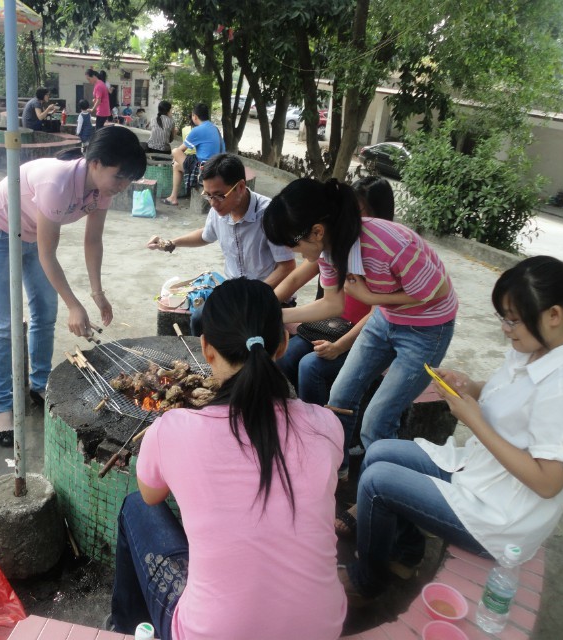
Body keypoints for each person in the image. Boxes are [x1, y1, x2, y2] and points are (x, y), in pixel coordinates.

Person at [341, 256, 563, 602]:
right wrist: (471, 386)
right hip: (480, 474)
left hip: (501, 516)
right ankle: (405, 553)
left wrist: (475, 421)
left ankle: (368, 579)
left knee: (377, 483)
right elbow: (511, 395)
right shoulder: (537, 347)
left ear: (554, 315)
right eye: (504, 318)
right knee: (378, 452)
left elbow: (548, 481)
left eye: (513, 321)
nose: (505, 329)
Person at [110, 278, 346, 640]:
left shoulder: (173, 428)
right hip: (320, 629)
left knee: (133, 508)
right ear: (283, 345)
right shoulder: (326, 426)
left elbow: (151, 495)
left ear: (206, 348)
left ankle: (127, 629)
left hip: (210, 634)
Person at [263, 178, 457, 482]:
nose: (296, 252)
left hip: (427, 328)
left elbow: (436, 290)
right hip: (386, 320)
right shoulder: (328, 250)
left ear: (316, 231)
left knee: (377, 420)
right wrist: (272, 315)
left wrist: (370, 298)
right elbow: (331, 305)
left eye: (293, 243)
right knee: (339, 397)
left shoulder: (390, 244)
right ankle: (337, 469)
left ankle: (380, 489)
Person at [0, 126, 146, 446]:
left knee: (44, 312)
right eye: (119, 177)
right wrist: (74, 304)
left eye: (128, 180)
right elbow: (47, 253)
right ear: (95, 162)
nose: (122, 187)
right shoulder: (57, 182)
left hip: (31, 237)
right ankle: (4, 409)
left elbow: (93, 241)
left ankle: (38, 384)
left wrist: (97, 294)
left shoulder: (101, 190)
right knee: (5, 324)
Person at [274, 177, 396, 410]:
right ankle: (294, 416)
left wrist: (339, 346)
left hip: (364, 335)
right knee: (287, 356)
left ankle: (322, 429)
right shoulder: (334, 245)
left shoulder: (380, 254)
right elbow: (295, 278)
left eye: (359, 212)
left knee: (310, 367)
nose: (351, 218)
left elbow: (377, 314)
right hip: (332, 324)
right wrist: (266, 303)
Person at [147, 153, 295, 335]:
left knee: (243, 338)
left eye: (219, 196)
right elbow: (206, 234)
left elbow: (287, 266)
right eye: (208, 195)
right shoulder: (219, 211)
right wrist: (171, 243)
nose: (213, 203)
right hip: (235, 293)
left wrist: (254, 296)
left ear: (240, 187)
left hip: (270, 294)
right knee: (199, 319)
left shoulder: (269, 215)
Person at [161, 103, 224, 206]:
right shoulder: (214, 128)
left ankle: (178, 192)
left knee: (175, 151)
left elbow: (180, 150)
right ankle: (173, 197)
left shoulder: (197, 130)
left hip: (204, 168)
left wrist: (175, 158)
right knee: (177, 166)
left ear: (194, 116)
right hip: (217, 165)